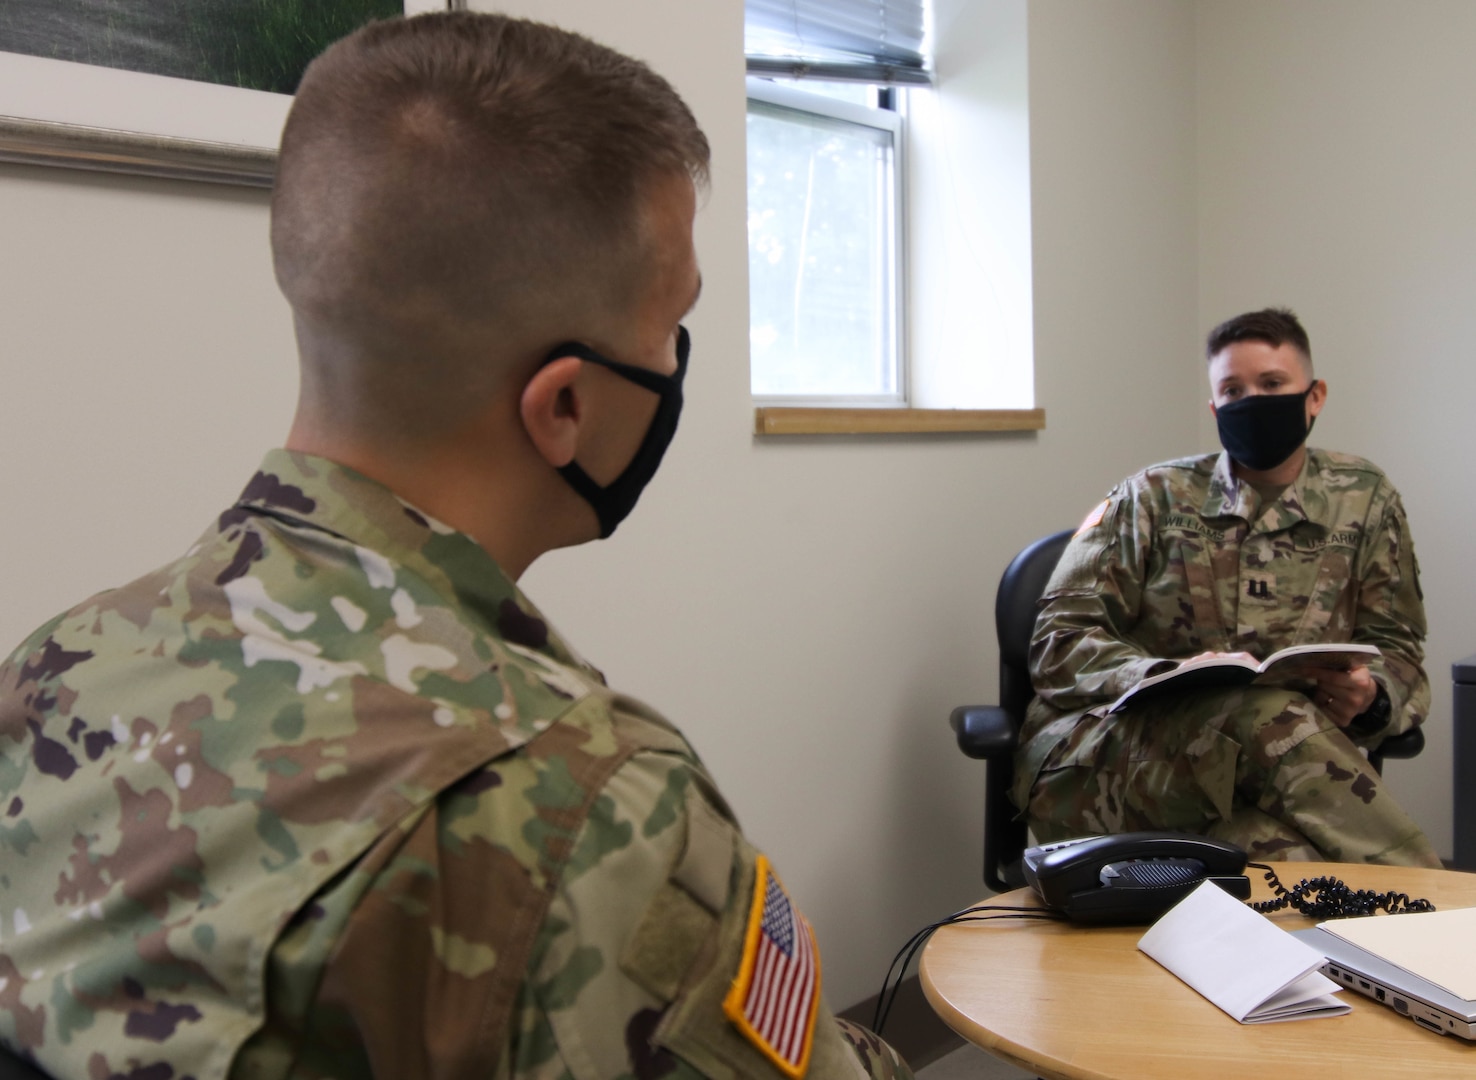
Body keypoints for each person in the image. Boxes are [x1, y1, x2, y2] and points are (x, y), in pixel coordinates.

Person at [0, 14, 911, 1080]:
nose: (676, 361)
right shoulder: (586, 808)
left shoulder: (57, 668)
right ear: (564, 407)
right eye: (673, 325)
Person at [1012, 307, 1439, 868]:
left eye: (1272, 384)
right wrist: (1164, 676)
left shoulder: (1364, 499)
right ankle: (1448, 921)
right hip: (1111, 761)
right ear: (1215, 409)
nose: (1252, 402)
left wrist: (1372, 698)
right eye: (1233, 391)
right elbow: (1058, 643)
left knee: (1287, 861)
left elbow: (1399, 648)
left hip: (1263, 779)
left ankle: (1394, 943)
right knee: (1267, 714)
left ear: (1314, 396)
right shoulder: (1150, 498)